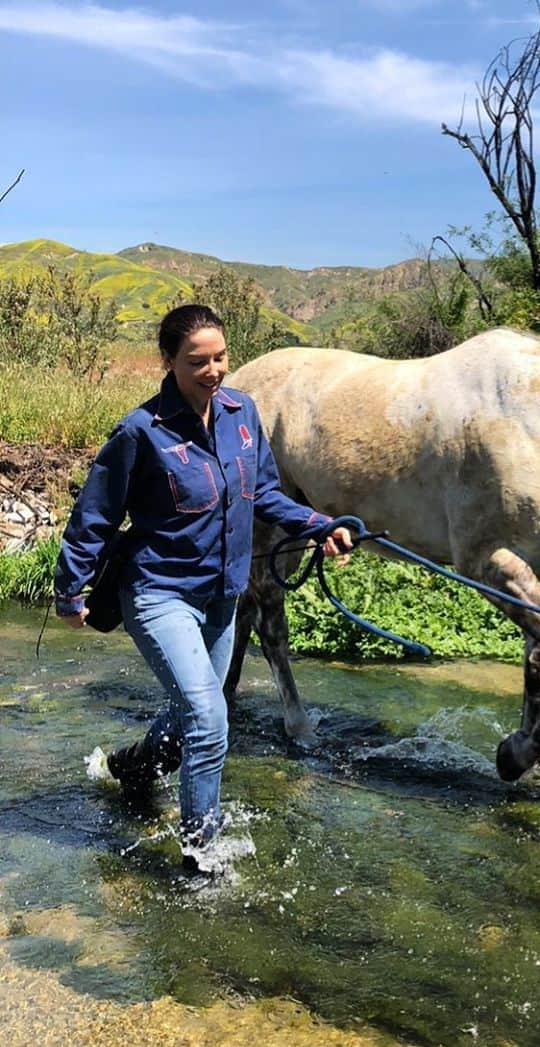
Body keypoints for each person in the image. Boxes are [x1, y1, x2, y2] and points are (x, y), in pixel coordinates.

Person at [54, 304, 351, 870]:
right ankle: (202, 857)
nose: (213, 371)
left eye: (220, 358)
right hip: (158, 593)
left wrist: (320, 525)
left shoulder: (243, 414)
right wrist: (72, 589)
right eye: (198, 361)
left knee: (197, 707)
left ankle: (134, 770)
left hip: (222, 594)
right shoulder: (141, 431)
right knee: (211, 721)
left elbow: (264, 493)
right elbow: (95, 514)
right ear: (168, 361)